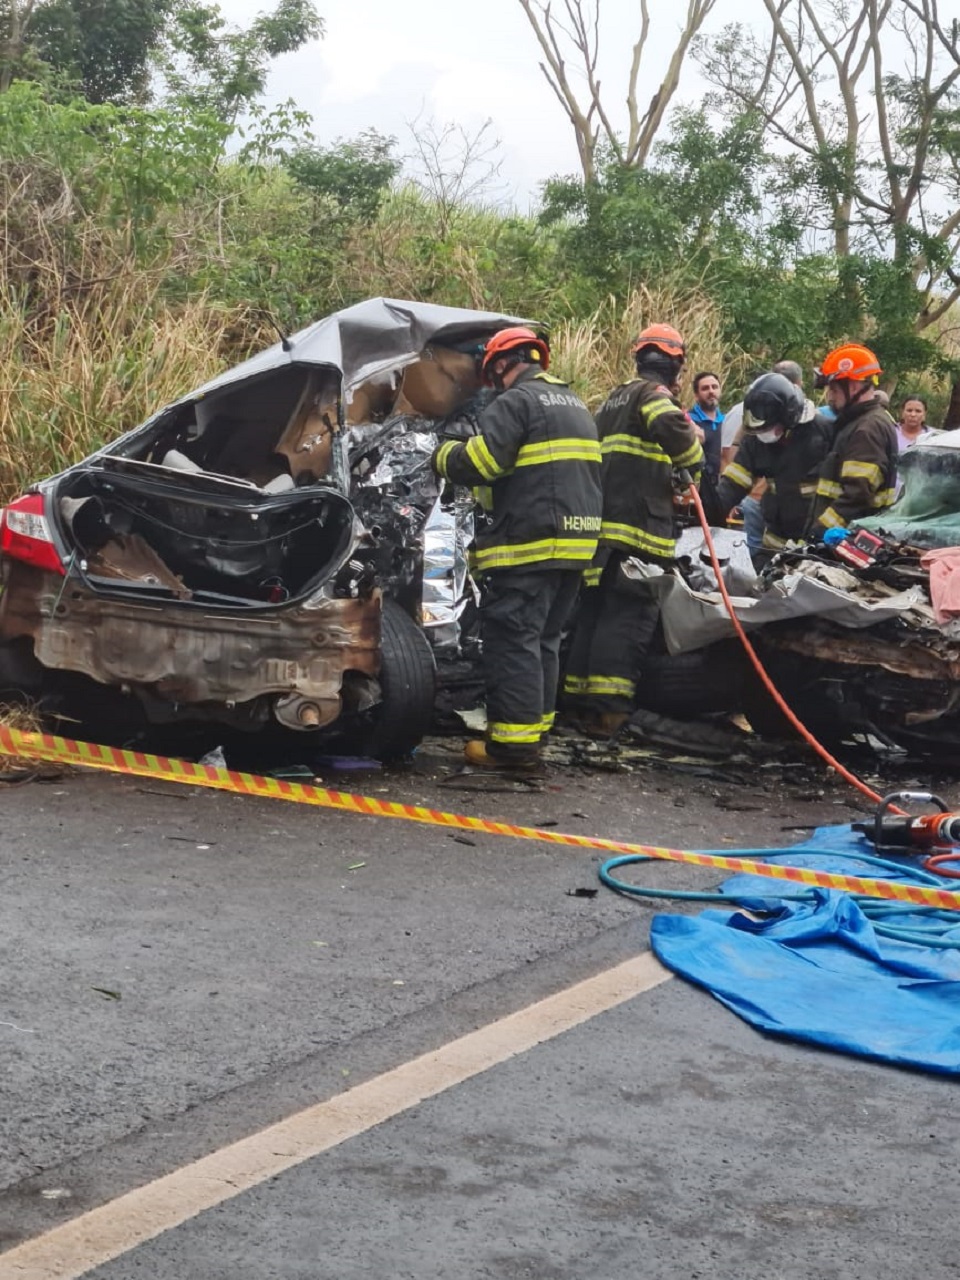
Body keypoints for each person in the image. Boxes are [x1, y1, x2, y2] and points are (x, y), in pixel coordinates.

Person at [432, 326, 602, 771]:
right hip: (575, 544)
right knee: (544, 640)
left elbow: (484, 463)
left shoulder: (517, 402)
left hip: (531, 543)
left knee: (514, 640)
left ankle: (513, 747)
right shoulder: (574, 403)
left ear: (504, 364)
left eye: (492, 375)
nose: (491, 386)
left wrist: (442, 454)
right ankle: (536, 731)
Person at [561, 323, 703, 736]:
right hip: (637, 532)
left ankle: (576, 703)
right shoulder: (652, 394)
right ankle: (609, 712)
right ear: (675, 365)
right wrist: (693, 458)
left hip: (602, 531)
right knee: (627, 622)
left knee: (594, 615)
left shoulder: (613, 399)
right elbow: (672, 428)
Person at [712, 371, 834, 562]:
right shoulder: (755, 441)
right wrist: (709, 508)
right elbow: (734, 483)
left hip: (816, 547)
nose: (764, 435)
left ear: (789, 418)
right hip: (775, 543)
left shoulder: (823, 433)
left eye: (770, 428)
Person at [807, 342, 898, 536]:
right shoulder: (855, 423)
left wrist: (819, 532)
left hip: (847, 542)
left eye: (834, 390)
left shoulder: (867, 429)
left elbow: (856, 496)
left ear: (855, 385)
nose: (830, 397)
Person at [687, 371, 725, 489]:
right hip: (695, 488)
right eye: (705, 388)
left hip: (722, 489)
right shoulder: (687, 421)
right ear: (696, 395)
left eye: (714, 387)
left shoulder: (727, 421)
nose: (711, 391)